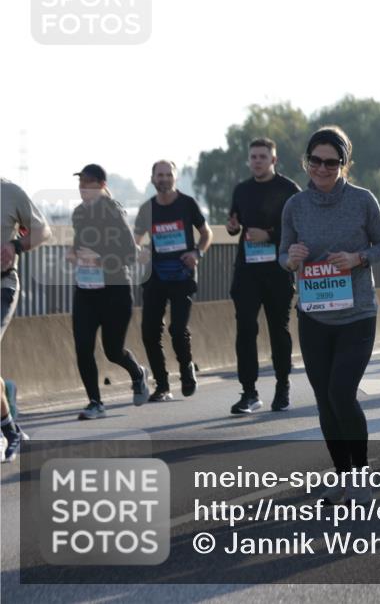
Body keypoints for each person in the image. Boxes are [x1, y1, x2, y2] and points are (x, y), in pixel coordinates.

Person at [279, 126, 380, 505]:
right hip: (313, 315)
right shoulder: (295, 205)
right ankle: (342, 477)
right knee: (324, 400)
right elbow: (283, 257)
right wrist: (291, 258)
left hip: (357, 314)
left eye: (332, 162)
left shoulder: (362, 200)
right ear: (306, 162)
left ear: (344, 165)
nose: (323, 168)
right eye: (316, 161)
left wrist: (357, 258)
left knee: (341, 393)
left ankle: (361, 477)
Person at [68, 165, 151, 419]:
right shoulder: (79, 214)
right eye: (81, 181)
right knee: (83, 346)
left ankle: (137, 373)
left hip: (115, 291)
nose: (83, 186)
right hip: (86, 290)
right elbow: (80, 245)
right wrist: (73, 254)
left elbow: (129, 253)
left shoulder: (113, 210)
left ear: (102, 185)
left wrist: (100, 260)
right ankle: (95, 402)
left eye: (89, 182)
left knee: (113, 350)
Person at [225, 138, 301, 414]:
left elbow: (301, 230)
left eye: (262, 156)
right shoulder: (242, 190)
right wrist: (233, 227)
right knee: (245, 331)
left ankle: (282, 388)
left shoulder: (289, 190)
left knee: (278, 331)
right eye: (253, 156)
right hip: (247, 272)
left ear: (273, 160)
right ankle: (249, 392)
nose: (257, 161)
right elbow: (235, 224)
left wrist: (269, 235)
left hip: (278, 272)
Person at [135, 161, 213, 401]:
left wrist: (197, 253)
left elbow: (206, 233)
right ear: (152, 179)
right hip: (156, 277)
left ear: (175, 178)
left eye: (169, 175)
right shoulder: (147, 209)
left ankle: (186, 369)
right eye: (160, 175)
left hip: (182, 276)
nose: (164, 179)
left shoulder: (187, 203)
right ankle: (162, 385)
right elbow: (134, 239)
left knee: (177, 329)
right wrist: (139, 250)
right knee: (149, 332)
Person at [1, 179, 51, 463]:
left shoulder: (10, 192)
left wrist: (15, 245)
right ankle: (11, 429)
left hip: (3, 285)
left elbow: (44, 230)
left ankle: (10, 430)